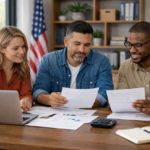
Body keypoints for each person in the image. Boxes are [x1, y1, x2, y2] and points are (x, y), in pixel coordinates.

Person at [33, 20, 113, 108]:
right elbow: (38, 91)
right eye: (77, 44)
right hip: (56, 116)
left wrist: (78, 103)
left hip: (88, 115)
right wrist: (50, 99)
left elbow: (104, 93)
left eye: (87, 45)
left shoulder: (102, 61)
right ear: (66, 41)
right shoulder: (48, 60)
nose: (82, 50)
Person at [117, 21, 150, 115]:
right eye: (129, 44)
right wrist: (116, 103)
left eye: (138, 45)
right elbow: (121, 100)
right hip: (134, 122)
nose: (131, 50)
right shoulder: (125, 66)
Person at [0, 26, 33, 112]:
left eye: (23, 46)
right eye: (16, 48)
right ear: (1, 49)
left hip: (13, 115)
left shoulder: (23, 69)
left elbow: (26, 94)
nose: (22, 51)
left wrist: (26, 101)